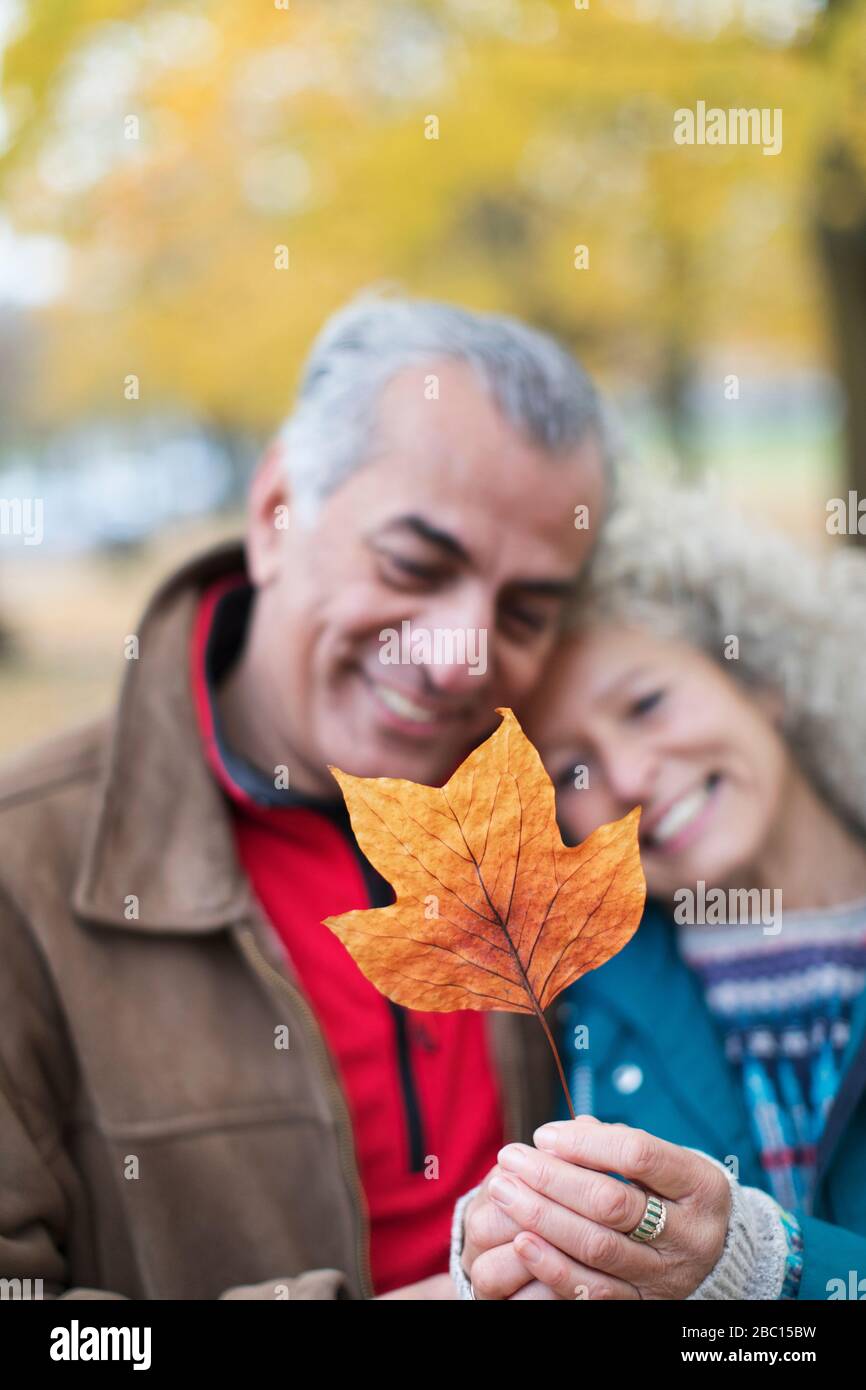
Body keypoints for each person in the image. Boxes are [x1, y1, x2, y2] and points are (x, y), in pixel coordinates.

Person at [0, 291, 609, 1300]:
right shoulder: (25, 865)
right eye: (415, 563)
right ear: (278, 511)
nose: (459, 656)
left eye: (525, 610)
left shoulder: (567, 802)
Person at [453, 483, 866, 1300]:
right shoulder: (570, 991)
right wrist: (505, 1257)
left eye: (646, 703)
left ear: (762, 679)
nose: (632, 777)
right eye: (572, 768)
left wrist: (776, 1271)